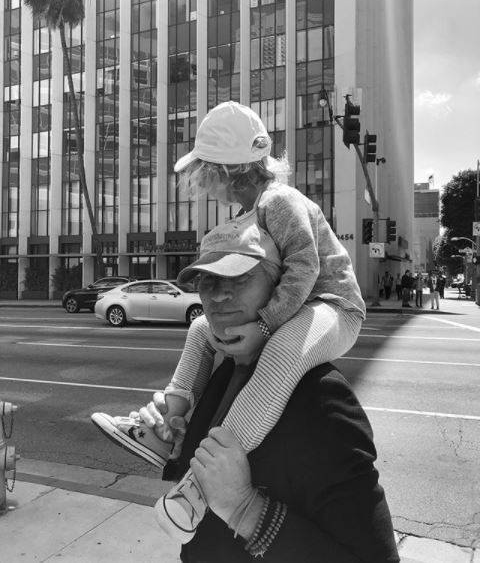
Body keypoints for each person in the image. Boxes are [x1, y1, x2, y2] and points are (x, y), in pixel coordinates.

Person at [91, 101, 366, 535]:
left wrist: (264, 325)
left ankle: (198, 487)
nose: (203, 182)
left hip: (332, 306)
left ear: (229, 169)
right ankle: (168, 428)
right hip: (300, 305)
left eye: (206, 170)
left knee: (281, 355)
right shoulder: (248, 211)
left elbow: (305, 269)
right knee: (201, 327)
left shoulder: (278, 201)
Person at [143, 229, 399, 562]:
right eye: (207, 282)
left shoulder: (321, 397)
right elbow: (208, 475)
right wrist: (177, 442)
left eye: (239, 279)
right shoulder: (223, 370)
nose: (218, 296)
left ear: (280, 289)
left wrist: (246, 509)